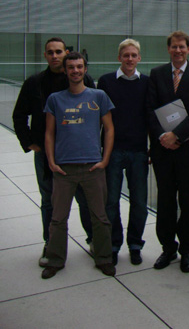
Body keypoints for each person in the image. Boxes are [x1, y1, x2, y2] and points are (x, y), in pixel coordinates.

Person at [12, 37, 94, 266]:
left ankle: (93, 239)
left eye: (59, 51)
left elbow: (94, 113)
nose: (55, 56)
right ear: (45, 55)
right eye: (50, 52)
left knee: (84, 198)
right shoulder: (34, 83)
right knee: (49, 200)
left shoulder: (82, 78)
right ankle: (50, 244)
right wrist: (29, 142)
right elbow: (19, 115)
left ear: (66, 52)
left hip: (77, 153)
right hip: (47, 153)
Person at [41, 52, 115, 279]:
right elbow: (49, 133)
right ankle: (55, 260)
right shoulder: (55, 99)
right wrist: (51, 161)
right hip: (64, 169)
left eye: (79, 66)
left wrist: (105, 159)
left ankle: (103, 258)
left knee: (100, 217)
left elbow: (110, 129)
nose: (75, 71)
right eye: (71, 67)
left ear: (85, 69)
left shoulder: (99, 96)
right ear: (65, 70)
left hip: (93, 167)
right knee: (58, 218)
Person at [147, 30, 189, 273]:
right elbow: (149, 109)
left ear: (188, 49)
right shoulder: (157, 74)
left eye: (182, 46)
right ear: (168, 49)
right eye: (174, 47)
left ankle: (187, 250)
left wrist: (177, 135)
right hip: (163, 150)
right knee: (165, 200)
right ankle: (167, 248)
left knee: (188, 201)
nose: (178, 50)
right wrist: (164, 137)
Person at [97, 39, 149, 266]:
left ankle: (135, 244)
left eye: (133, 55)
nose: (129, 59)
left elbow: (153, 116)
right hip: (113, 150)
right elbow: (99, 118)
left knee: (139, 201)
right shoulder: (106, 82)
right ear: (119, 57)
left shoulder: (147, 83)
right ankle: (114, 243)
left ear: (139, 58)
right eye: (125, 55)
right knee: (111, 201)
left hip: (139, 151)